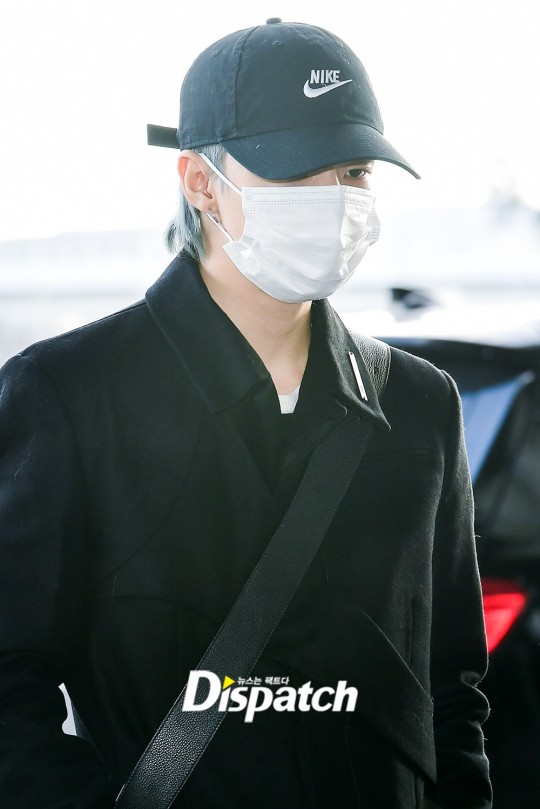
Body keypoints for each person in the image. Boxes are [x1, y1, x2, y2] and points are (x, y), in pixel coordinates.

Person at [0, 18, 491, 809]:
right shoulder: (67, 395)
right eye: (296, 169)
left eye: (355, 170)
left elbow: (452, 692)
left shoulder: (420, 404)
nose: (335, 200)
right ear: (200, 182)